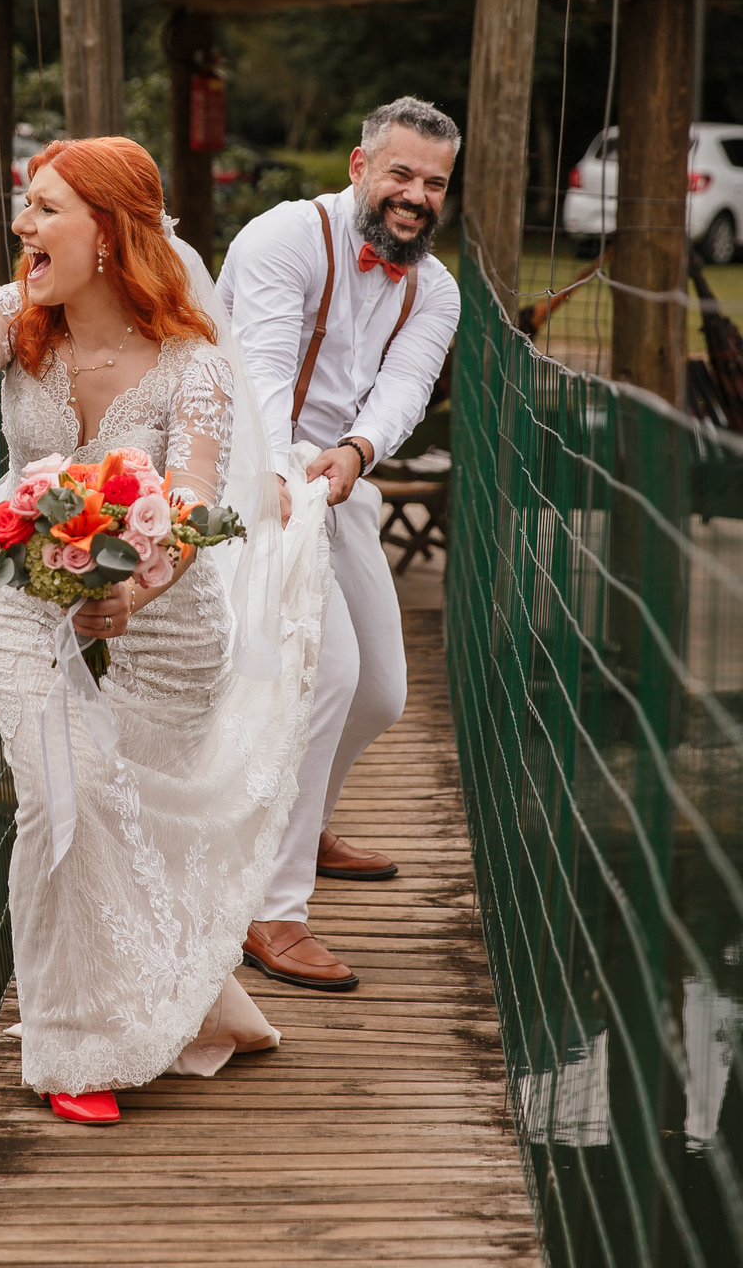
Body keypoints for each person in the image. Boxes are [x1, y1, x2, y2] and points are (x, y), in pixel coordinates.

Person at [0, 136, 330, 1124]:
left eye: (46, 209)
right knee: (62, 796)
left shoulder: (193, 366)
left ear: (111, 233)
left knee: (155, 822)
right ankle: (76, 1046)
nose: (23, 226)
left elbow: (195, 503)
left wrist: (137, 592)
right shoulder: (19, 314)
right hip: (18, 572)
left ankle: (188, 1000)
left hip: (165, 600)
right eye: (27, 204)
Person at [218, 97, 461, 992]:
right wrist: (274, 478)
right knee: (327, 675)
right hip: (248, 470)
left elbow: (404, 390)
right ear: (360, 167)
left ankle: (308, 818)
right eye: (401, 173)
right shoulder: (284, 238)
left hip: (339, 478)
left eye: (435, 183)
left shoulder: (436, 288)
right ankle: (270, 909)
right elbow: (262, 369)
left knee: (385, 691)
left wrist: (356, 453)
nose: (416, 196)